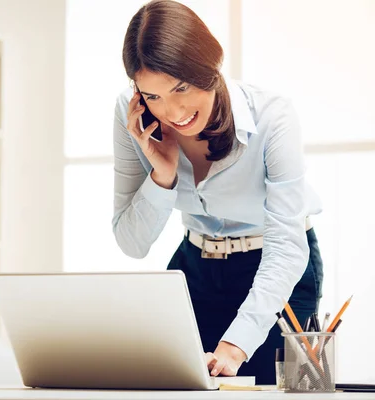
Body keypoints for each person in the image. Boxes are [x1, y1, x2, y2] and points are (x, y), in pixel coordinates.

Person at [112, 0, 323, 385]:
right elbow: (132, 242)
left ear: (210, 66)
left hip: (276, 266)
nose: (172, 112)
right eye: (154, 97)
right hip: (196, 264)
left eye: (181, 87)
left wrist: (238, 343)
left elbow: (286, 247)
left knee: (273, 390)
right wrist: (162, 175)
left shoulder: (273, 117)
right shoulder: (133, 118)